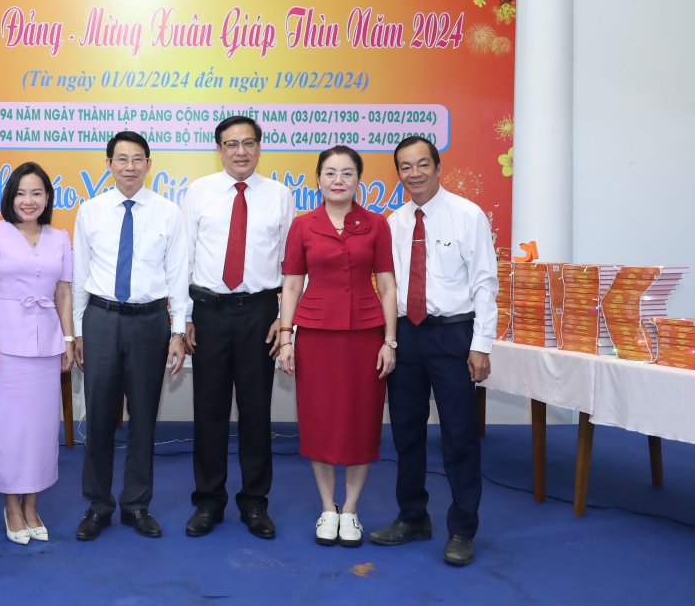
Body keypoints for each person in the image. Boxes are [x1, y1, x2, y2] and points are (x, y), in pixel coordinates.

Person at [369, 136, 498, 567]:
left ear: (438, 167)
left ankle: (462, 528)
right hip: (405, 335)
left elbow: (485, 284)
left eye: (423, 164)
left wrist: (481, 345)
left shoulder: (467, 215)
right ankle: (412, 517)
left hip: (453, 336)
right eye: (406, 167)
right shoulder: (393, 222)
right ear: (398, 174)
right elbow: (386, 287)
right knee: (406, 432)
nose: (415, 173)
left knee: (460, 435)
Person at [277, 146, 398, 547]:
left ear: (359, 180)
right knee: (321, 421)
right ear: (318, 179)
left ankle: (352, 510)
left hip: (366, 335)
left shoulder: (377, 224)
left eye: (347, 173)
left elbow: (387, 285)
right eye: (330, 173)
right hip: (316, 334)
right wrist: (286, 336)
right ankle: (328, 507)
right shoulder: (303, 226)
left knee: (362, 421)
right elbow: (292, 284)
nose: (338, 180)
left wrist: (389, 341)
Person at [71, 131, 189, 540]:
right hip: (101, 320)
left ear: (149, 163)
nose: (129, 167)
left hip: (150, 322)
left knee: (143, 418)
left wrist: (177, 331)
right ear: (108, 164)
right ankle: (97, 506)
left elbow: (178, 277)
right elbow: (80, 275)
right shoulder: (90, 210)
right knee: (100, 417)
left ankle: (136, 505)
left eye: (138, 159)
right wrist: (76, 330)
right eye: (121, 159)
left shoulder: (169, 213)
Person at [181, 115, 295, 539]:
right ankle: (208, 502)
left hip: (260, 314)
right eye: (231, 144)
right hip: (208, 310)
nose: (240, 151)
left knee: (255, 411)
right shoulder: (198, 193)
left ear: (260, 147)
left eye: (248, 143)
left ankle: (254, 503)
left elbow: (292, 266)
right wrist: (185, 318)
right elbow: (184, 258)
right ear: (218, 149)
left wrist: (286, 321)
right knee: (208, 410)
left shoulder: (280, 196)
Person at [0, 161, 75, 545]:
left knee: (42, 431)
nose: (28, 201)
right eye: (20, 193)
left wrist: (68, 340)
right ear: (9, 197)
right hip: (5, 345)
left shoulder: (60, 237)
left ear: (48, 198)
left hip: (46, 345)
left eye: (37, 193)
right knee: (9, 428)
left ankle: (33, 504)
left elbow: (63, 293)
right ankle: (12, 505)